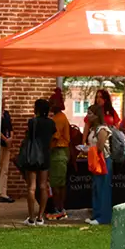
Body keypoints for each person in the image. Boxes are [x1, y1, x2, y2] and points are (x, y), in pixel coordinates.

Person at [21, 99, 56, 226]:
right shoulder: (51, 123)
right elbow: (51, 138)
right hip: (45, 155)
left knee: (31, 187)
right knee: (43, 186)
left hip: (32, 156)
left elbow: (29, 136)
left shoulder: (32, 122)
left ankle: (31, 218)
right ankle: (41, 217)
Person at [85, 104, 113, 225]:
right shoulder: (92, 129)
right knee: (96, 188)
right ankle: (96, 215)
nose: (88, 116)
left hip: (103, 161)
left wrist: (89, 150)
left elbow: (100, 148)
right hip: (95, 161)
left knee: (103, 188)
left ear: (96, 116)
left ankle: (104, 217)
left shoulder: (102, 129)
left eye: (90, 113)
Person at [47, 88, 70, 221]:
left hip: (58, 152)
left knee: (56, 184)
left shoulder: (58, 119)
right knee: (59, 183)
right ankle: (60, 209)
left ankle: (59, 210)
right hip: (61, 152)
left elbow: (53, 137)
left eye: (51, 103)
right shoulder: (60, 117)